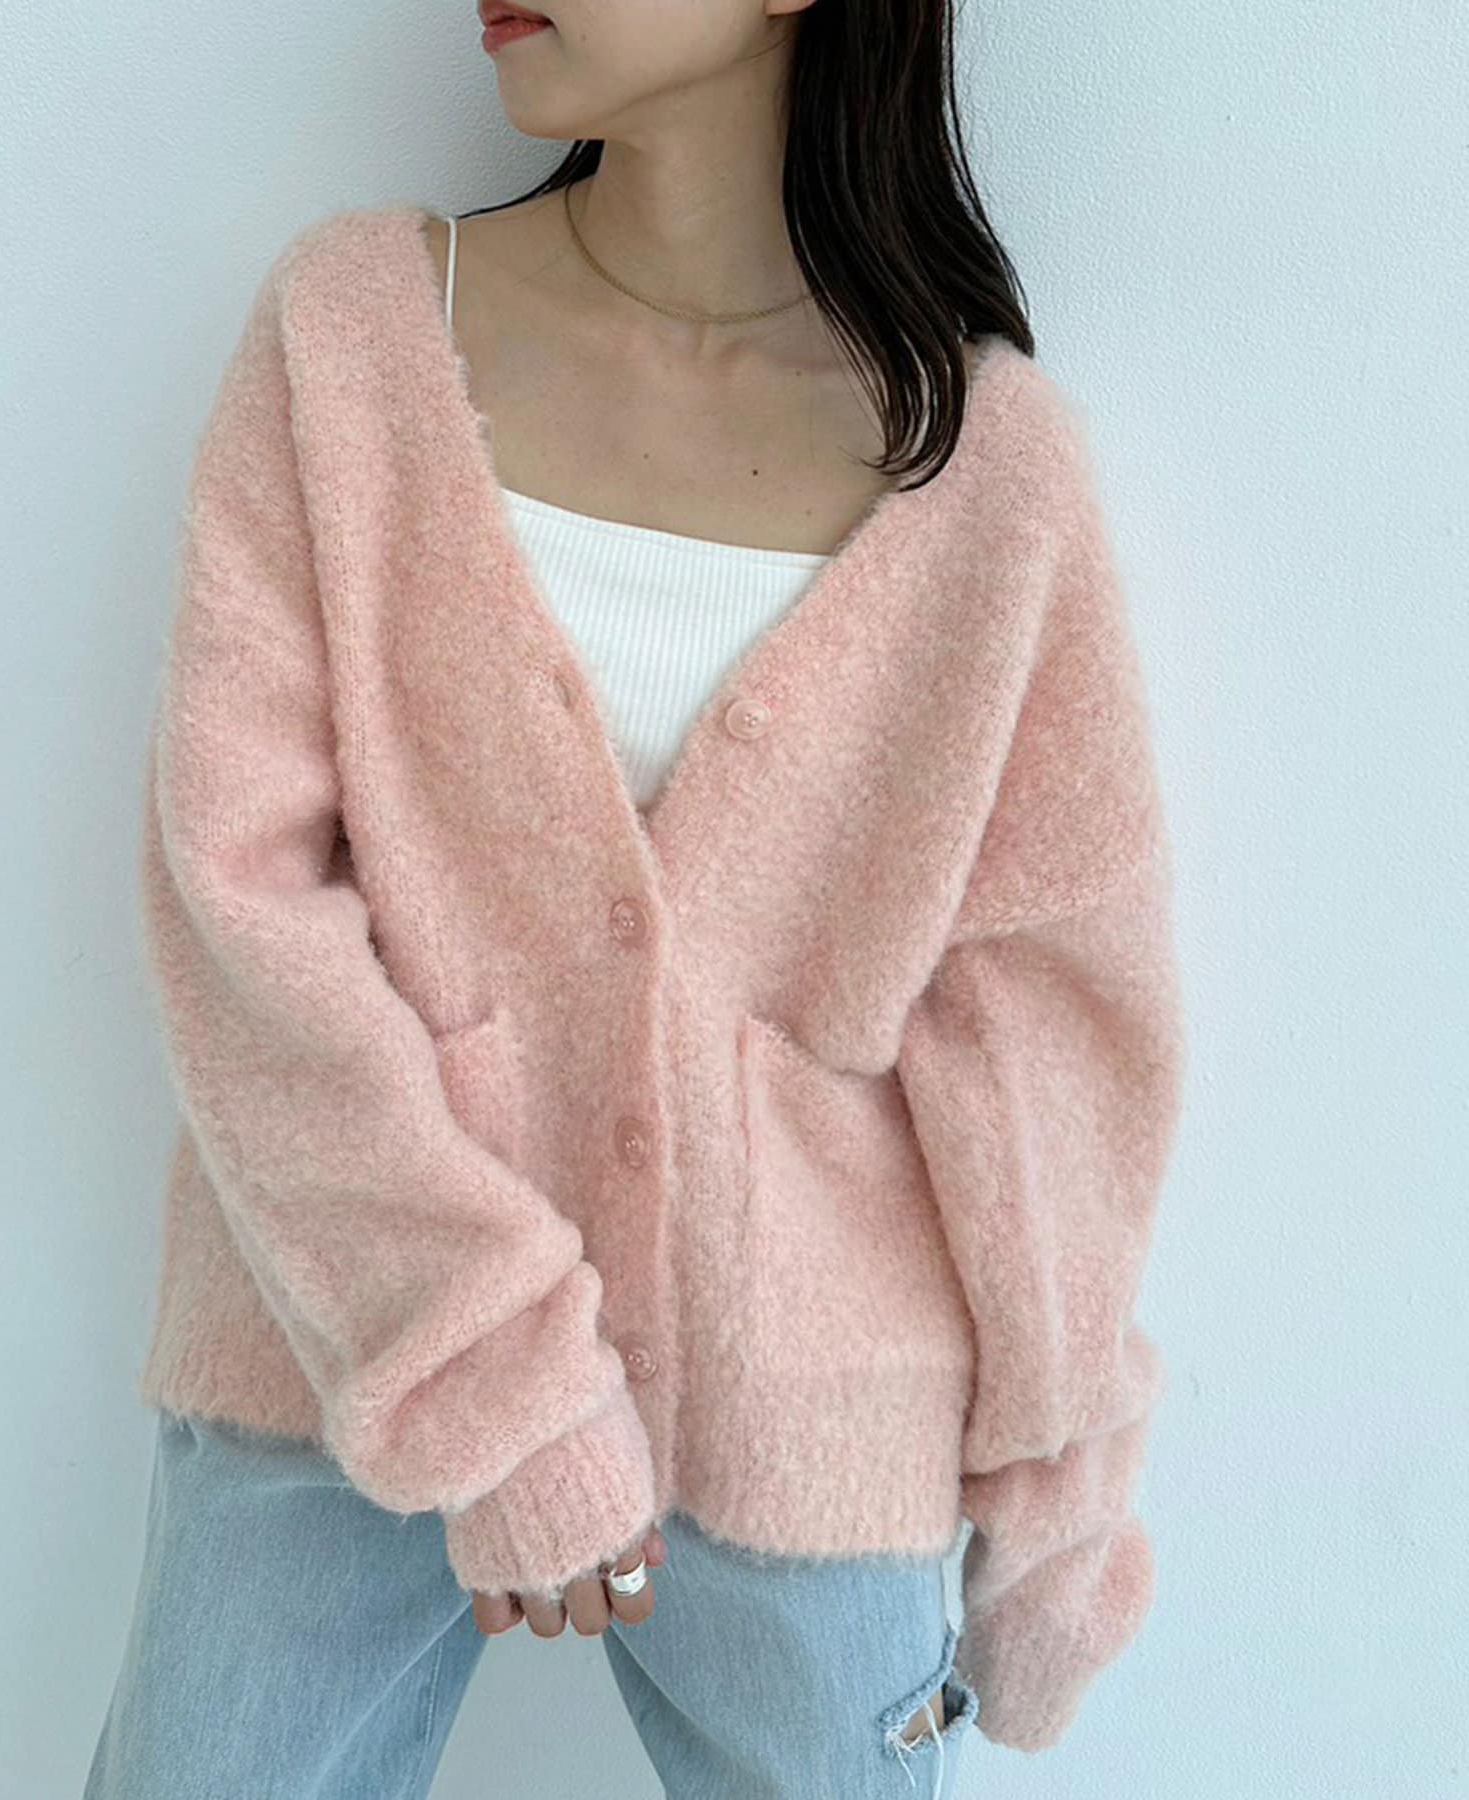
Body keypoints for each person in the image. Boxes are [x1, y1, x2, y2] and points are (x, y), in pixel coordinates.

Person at [85, 1, 1187, 1795]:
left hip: (810, 1419)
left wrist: (1059, 1497)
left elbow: (1049, 1041)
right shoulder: (355, 336)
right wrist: (488, 1374)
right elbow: (243, 909)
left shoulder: (993, 472)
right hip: (341, 1348)